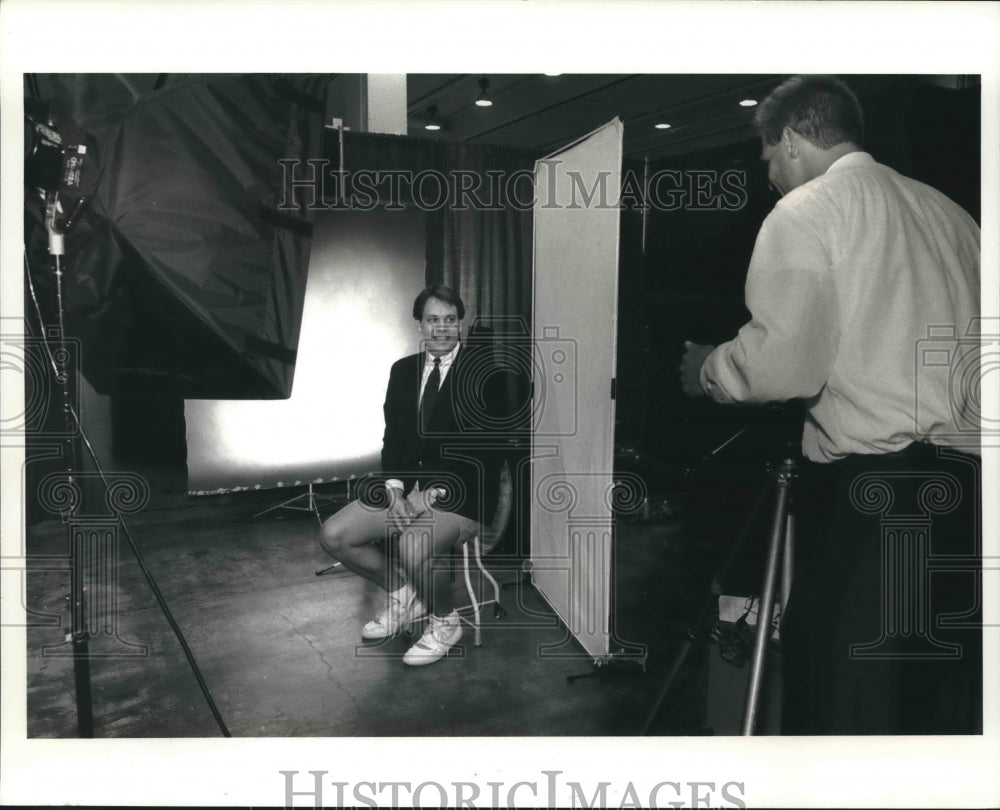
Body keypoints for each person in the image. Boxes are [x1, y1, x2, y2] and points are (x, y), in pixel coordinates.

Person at [680, 75, 982, 734]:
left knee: (847, 709)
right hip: (968, 500)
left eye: (766, 158)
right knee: (937, 707)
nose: (770, 173)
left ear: (789, 139)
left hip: (873, 503)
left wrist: (709, 369)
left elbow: (783, 364)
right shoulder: (956, 217)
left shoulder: (808, 210)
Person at [320, 284, 504, 666]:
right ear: (419, 324)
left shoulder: (486, 375)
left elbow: (485, 454)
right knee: (335, 535)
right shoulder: (402, 371)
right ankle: (404, 594)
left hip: (464, 494)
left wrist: (431, 494)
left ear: (460, 324)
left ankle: (445, 621)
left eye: (450, 320)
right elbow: (395, 438)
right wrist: (395, 490)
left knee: (413, 546)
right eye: (433, 320)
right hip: (411, 490)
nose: (442, 329)